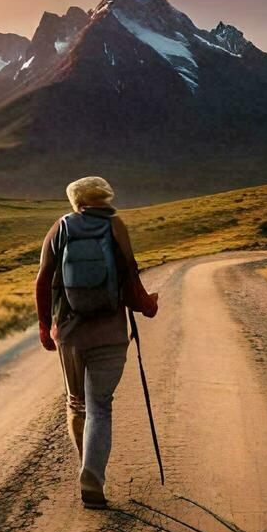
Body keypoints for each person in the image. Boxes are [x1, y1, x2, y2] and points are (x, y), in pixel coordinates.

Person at [34, 176, 158, 508]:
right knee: (100, 406)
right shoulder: (116, 226)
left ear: (75, 200)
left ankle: (85, 465)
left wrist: (46, 327)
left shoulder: (60, 228)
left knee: (78, 405)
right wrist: (149, 306)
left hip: (70, 333)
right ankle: (92, 476)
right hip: (110, 332)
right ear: (105, 197)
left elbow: (43, 281)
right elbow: (131, 279)